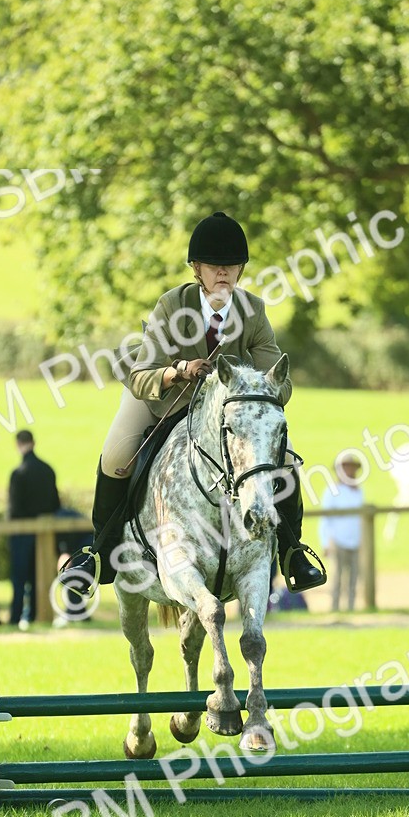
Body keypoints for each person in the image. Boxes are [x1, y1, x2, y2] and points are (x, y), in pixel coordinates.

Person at [75, 211, 326, 594]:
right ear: (197, 269)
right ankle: (97, 553)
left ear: (241, 269)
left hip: (225, 411)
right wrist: (178, 370)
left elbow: (281, 385)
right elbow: (143, 376)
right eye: (213, 266)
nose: (222, 274)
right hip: (164, 399)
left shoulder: (253, 311)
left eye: (230, 266)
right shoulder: (172, 306)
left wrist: (254, 384)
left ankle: (292, 552)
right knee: (116, 456)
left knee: (287, 458)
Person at [8, 430, 61, 627]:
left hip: (22, 532)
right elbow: (55, 504)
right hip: (45, 532)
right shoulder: (48, 470)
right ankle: (39, 613)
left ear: (18, 444)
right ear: (34, 442)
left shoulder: (18, 473)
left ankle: (16, 616)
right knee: (41, 575)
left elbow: (14, 509)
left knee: (20, 577)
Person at [319, 453, 363, 612]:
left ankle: (350, 607)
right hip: (337, 540)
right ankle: (335, 608)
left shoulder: (358, 491)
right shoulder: (332, 491)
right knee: (337, 577)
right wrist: (325, 542)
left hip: (355, 540)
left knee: (353, 577)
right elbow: (325, 519)